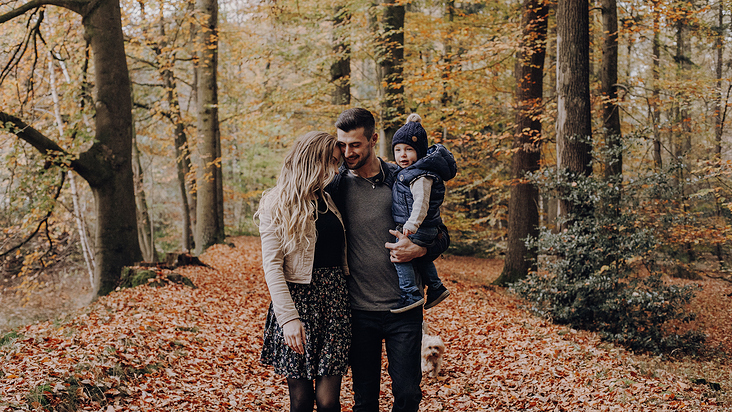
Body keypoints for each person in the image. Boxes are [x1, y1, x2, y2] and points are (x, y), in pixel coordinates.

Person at [328, 108, 450, 412]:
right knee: (365, 400)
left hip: (404, 309)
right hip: (357, 310)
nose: (347, 152)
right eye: (342, 145)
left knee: (408, 394)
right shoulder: (336, 185)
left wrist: (419, 250)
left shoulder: (402, 177)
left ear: (372, 139)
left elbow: (442, 234)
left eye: (355, 144)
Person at [258, 131, 350, 412]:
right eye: (332, 162)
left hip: (335, 303)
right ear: (314, 160)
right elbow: (272, 266)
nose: (336, 170)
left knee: (328, 400)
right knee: (300, 400)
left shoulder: (329, 199)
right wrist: (288, 319)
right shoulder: (276, 203)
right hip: (298, 303)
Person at [389, 113, 456, 314]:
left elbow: (421, 203)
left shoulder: (421, 176)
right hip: (423, 227)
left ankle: (410, 293)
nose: (402, 155)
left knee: (400, 254)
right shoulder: (409, 172)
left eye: (409, 150)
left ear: (419, 152)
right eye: (398, 150)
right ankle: (435, 287)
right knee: (422, 258)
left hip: (419, 226)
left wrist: (411, 224)